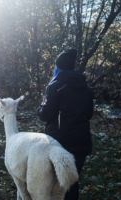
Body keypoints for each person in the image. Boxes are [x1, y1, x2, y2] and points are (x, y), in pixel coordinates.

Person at [36, 49, 93, 200]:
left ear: (58, 66)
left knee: (57, 184)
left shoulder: (55, 86)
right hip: (81, 142)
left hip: (60, 144)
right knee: (72, 182)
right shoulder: (86, 88)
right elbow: (89, 114)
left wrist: (40, 108)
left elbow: (45, 114)